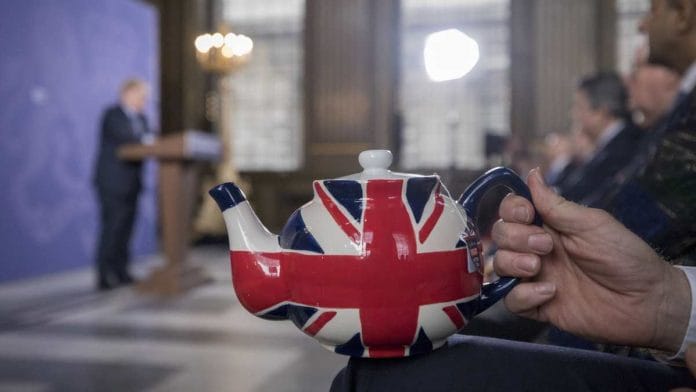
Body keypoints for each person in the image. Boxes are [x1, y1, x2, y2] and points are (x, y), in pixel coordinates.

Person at [93, 79, 152, 290]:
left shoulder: (142, 119)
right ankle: (104, 274)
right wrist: (144, 139)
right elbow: (128, 138)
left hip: (133, 184)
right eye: (141, 96)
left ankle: (121, 271)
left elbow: (149, 141)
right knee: (112, 228)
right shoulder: (112, 115)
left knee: (127, 230)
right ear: (127, 93)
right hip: (112, 183)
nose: (144, 101)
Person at [558, 72, 643, 206]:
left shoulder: (623, 149)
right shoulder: (610, 145)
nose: (573, 114)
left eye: (579, 107)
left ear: (600, 113)